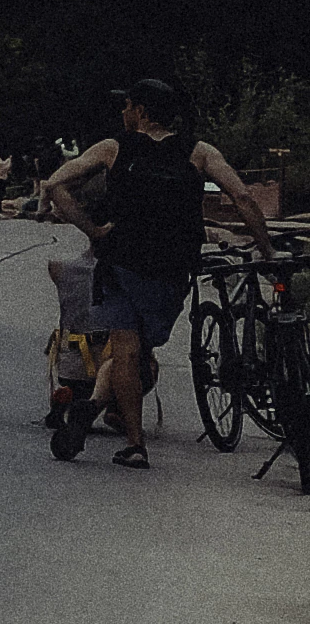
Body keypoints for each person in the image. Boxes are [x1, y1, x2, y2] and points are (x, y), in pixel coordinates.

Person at [41, 81, 269, 468]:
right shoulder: (199, 152)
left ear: (143, 111)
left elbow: (56, 183)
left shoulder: (113, 147)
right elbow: (243, 196)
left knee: (125, 351)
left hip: (119, 264)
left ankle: (134, 442)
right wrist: (266, 248)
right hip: (170, 271)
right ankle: (102, 410)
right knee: (140, 350)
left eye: (128, 106)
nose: (123, 113)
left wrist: (91, 229)